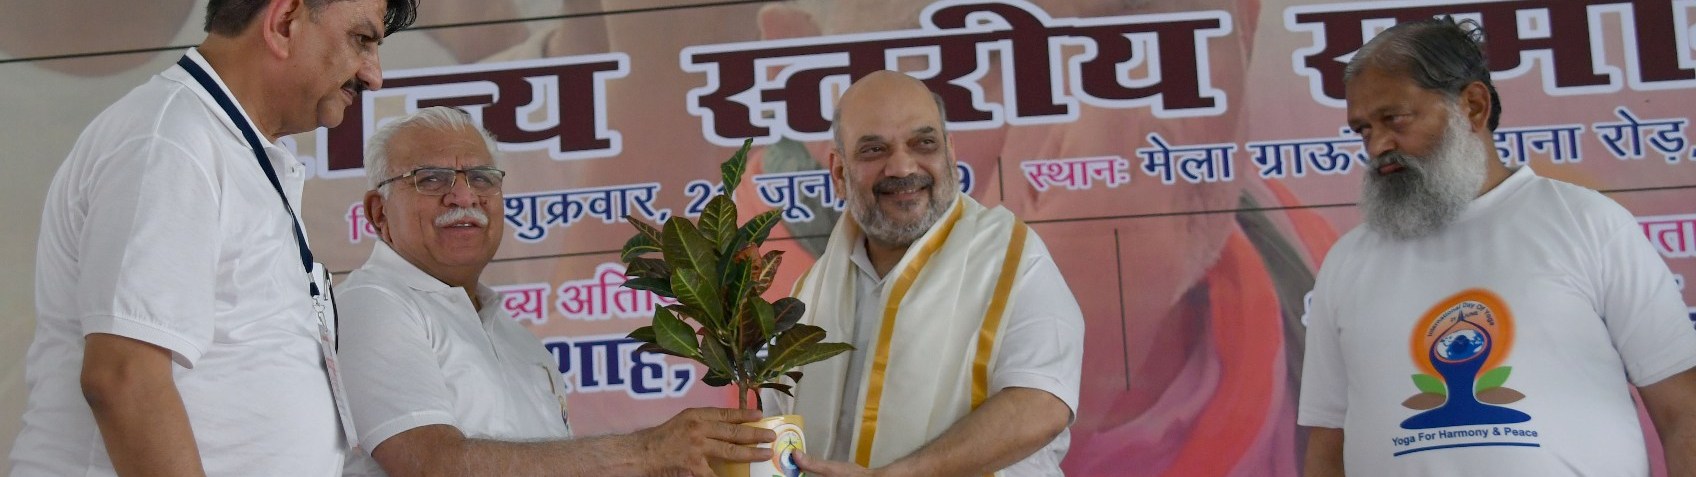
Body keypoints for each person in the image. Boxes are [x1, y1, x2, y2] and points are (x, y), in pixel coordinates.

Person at [11, 0, 417, 475]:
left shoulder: (222, 143)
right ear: (284, 22)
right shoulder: (171, 141)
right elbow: (123, 378)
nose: (373, 75)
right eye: (362, 41)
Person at [1298, 17, 1696, 476]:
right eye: (1364, 129)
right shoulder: (1349, 260)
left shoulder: (1587, 222)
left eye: (1395, 119)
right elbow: (1329, 440)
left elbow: (1681, 411)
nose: (1379, 145)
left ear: (1472, 106)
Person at [337, 107, 776, 477]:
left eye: (482, 177)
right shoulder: (373, 303)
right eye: (431, 179)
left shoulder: (516, 337)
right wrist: (645, 451)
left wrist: (667, 464)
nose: (462, 196)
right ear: (379, 213)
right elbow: (431, 462)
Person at [767, 70, 1084, 476]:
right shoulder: (810, 291)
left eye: (924, 143)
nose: (901, 167)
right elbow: (781, 423)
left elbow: (1042, 405)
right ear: (840, 173)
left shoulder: (1012, 258)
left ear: (950, 153)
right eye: (873, 150)